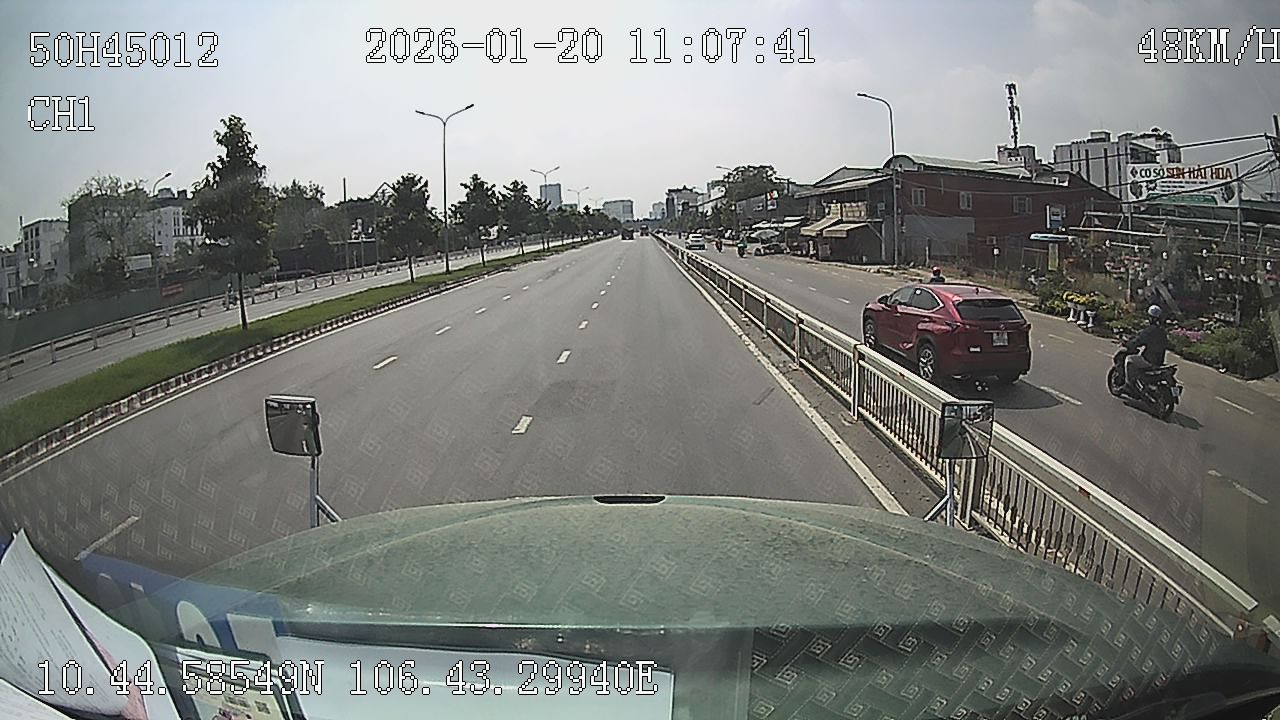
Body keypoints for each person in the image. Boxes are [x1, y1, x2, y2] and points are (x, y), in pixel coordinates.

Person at [1123, 304, 1169, 393]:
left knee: (1129, 359)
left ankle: (1129, 385)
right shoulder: (1162, 331)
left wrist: (1128, 344)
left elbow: (1138, 341)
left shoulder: (1150, 330)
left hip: (1149, 360)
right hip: (1159, 361)